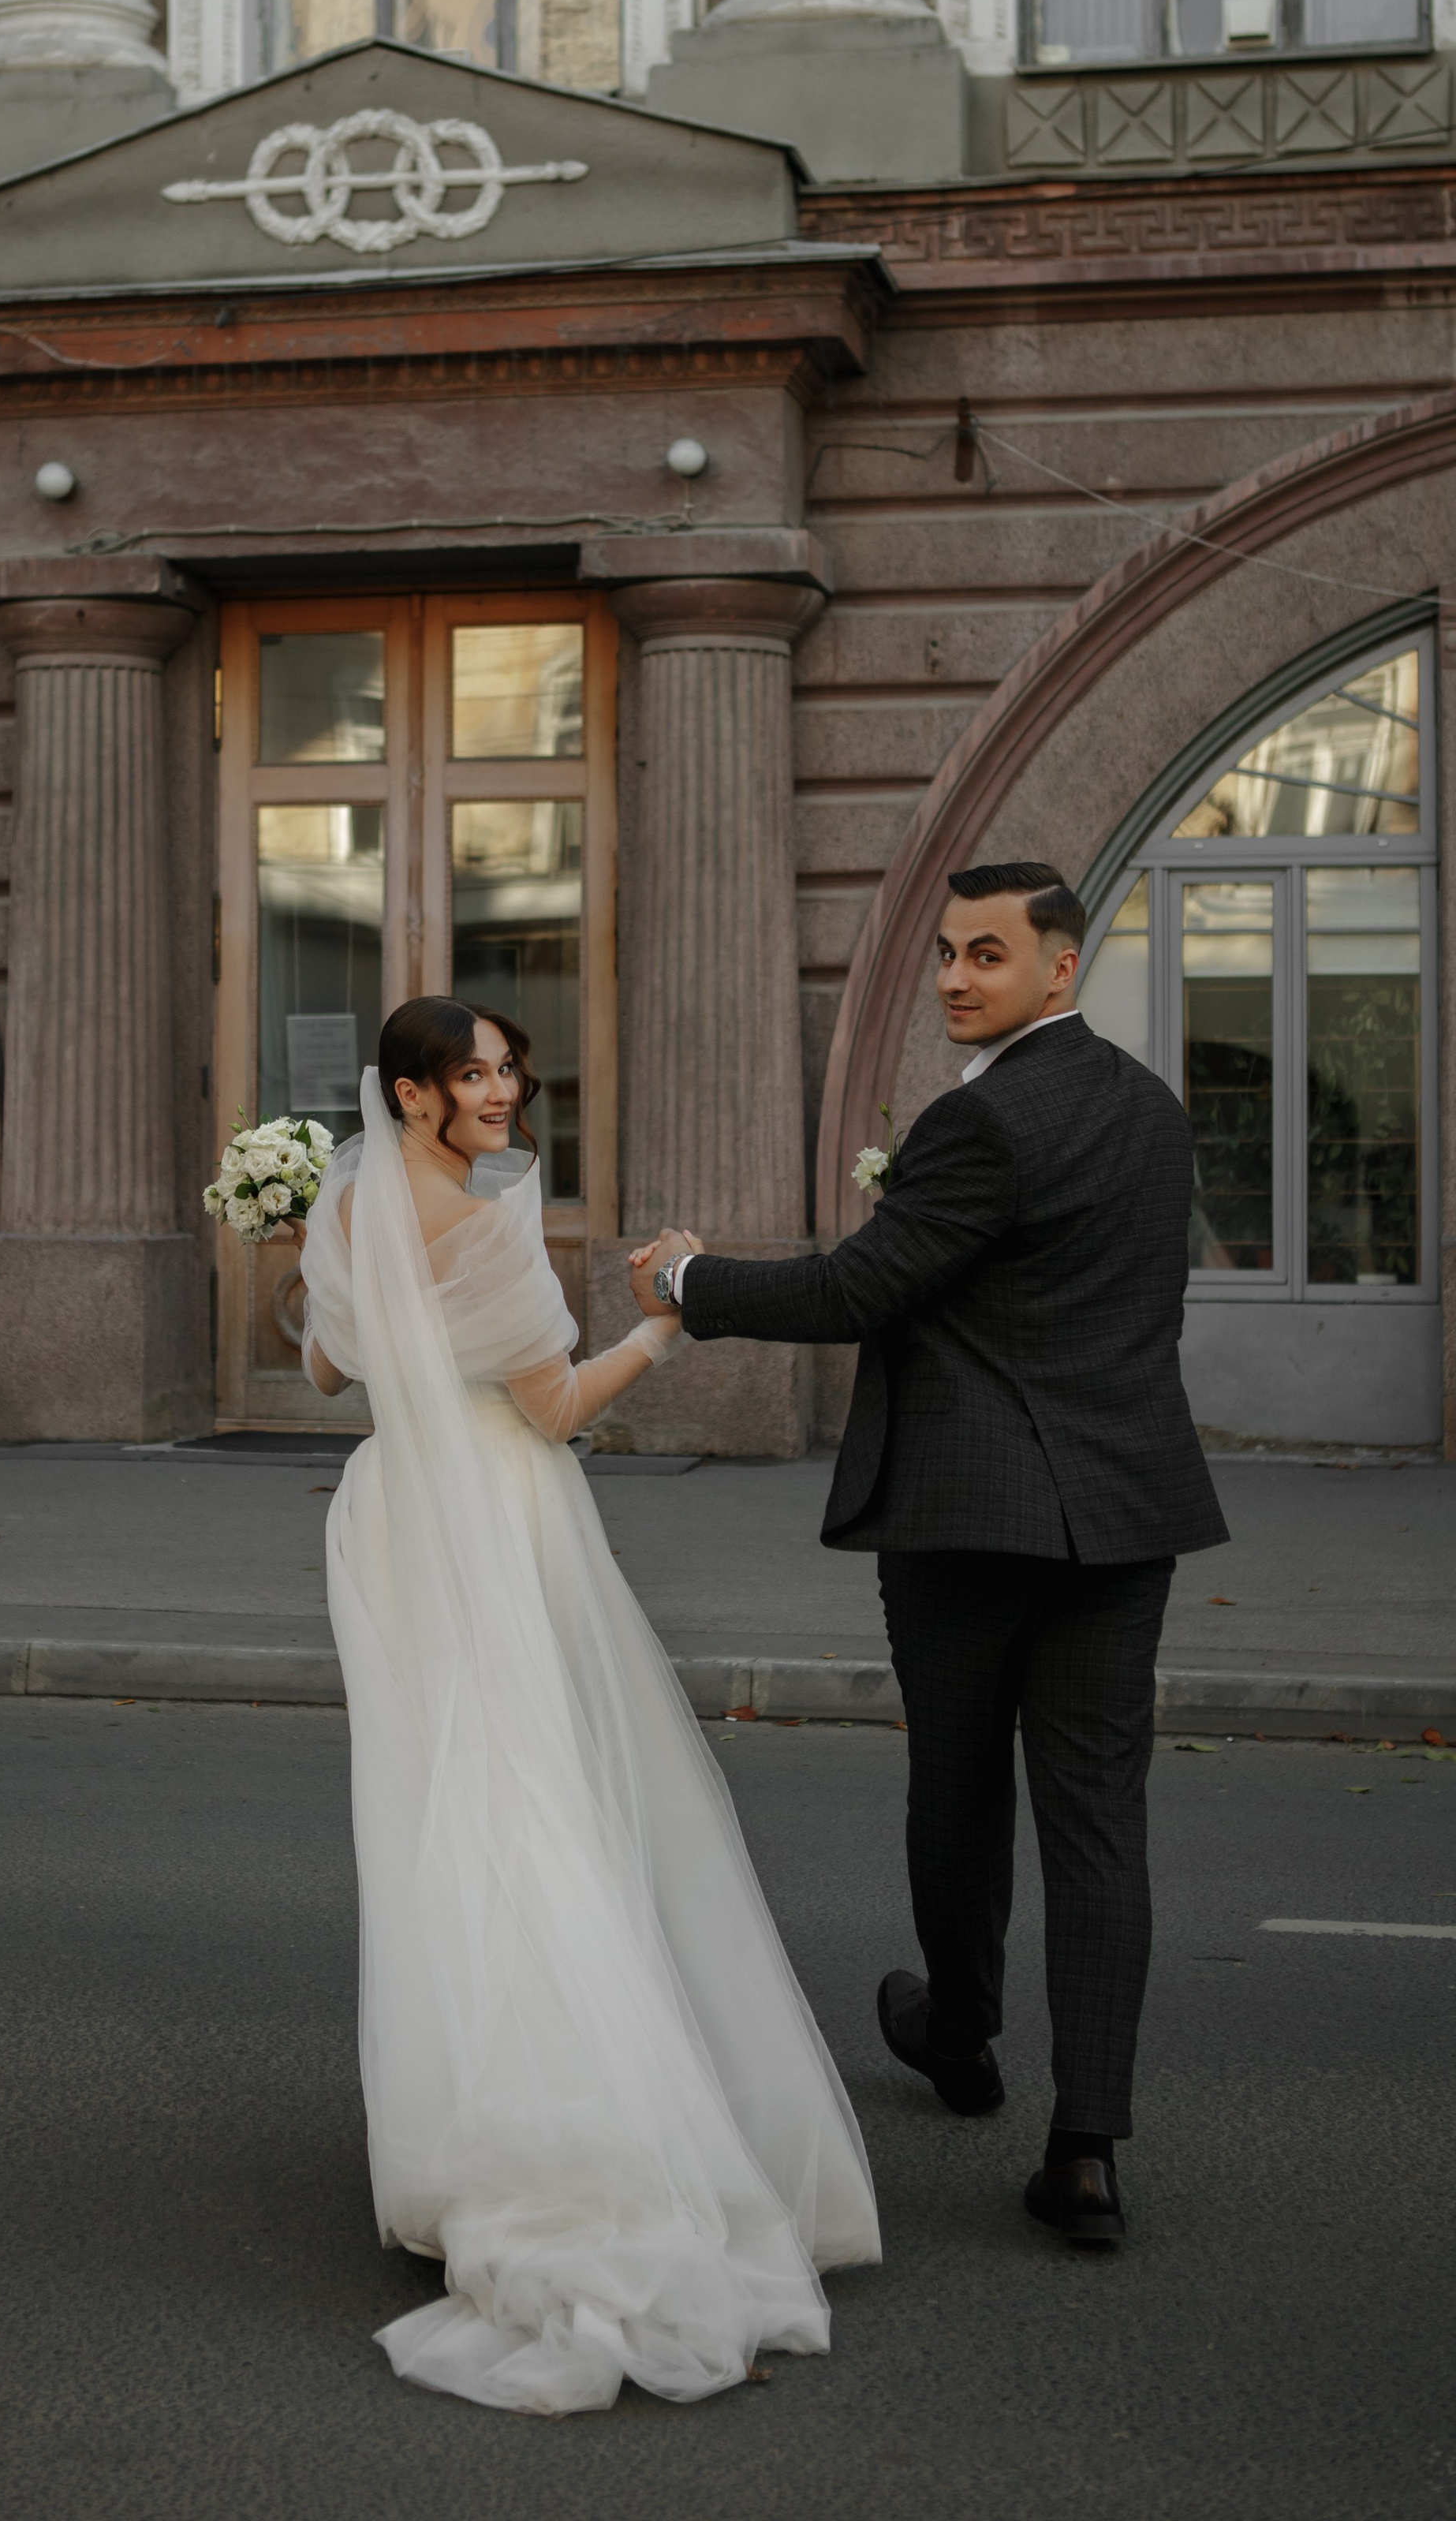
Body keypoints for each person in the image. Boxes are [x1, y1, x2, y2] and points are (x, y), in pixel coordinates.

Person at [629, 861, 1227, 2252]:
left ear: (1061, 969)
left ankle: (958, 2035)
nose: (959, 977)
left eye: (991, 956)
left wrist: (687, 1283)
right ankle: (1086, 2148)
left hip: (971, 1514)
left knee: (957, 1788)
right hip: (1127, 1510)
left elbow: (857, 1289)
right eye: (951, 953)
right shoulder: (1150, 1110)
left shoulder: (987, 1122)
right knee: (1098, 1822)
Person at [292, 996, 878, 2414]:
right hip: (498, 1512)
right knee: (534, 1795)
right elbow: (555, 1410)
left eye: (507, 1069)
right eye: (474, 1074)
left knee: (447, 1800)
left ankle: (472, 2122)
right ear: (414, 1093)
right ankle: (580, 2120)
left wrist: (297, 1263)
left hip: (393, 1513)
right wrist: (666, 1330)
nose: (503, 1091)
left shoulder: (355, 1205)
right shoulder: (493, 1227)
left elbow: (322, 1370)